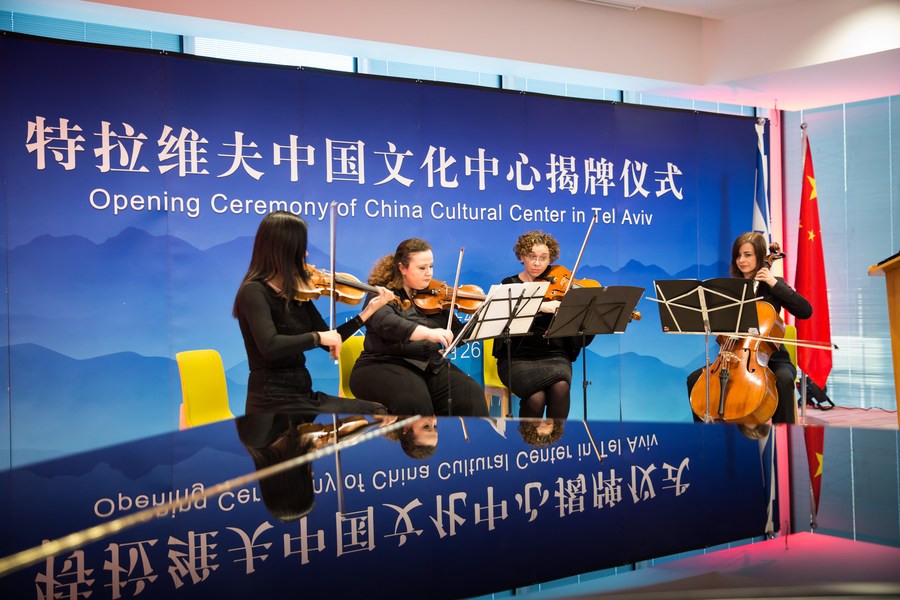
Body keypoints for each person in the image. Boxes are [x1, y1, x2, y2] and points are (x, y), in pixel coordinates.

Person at [233, 211, 394, 414]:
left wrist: (368, 311)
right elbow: (270, 347)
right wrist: (317, 337)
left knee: (378, 410)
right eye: (300, 247)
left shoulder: (297, 292)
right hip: (272, 404)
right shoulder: (253, 292)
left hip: (305, 397)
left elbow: (329, 341)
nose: (306, 255)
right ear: (282, 249)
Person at [349, 238, 488, 417]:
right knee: (414, 401)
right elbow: (387, 323)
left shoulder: (437, 294)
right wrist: (428, 333)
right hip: (384, 363)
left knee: (471, 394)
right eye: (422, 268)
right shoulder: (382, 292)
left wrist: (481, 319)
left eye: (431, 266)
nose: (429, 273)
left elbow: (456, 333)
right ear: (402, 268)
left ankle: (464, 437)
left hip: (429, 365)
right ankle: (414, 437)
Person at [686, 231, 812, 425]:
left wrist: (773, 282)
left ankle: (783, 431)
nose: (741, 260)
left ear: (760, 256)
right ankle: (706, 435)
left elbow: (805, 311)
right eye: (738, 255)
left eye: (748, 255)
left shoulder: (774, 285)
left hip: (772, 358)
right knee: (695, 379)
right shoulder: (729, 289)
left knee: (784, 380)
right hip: (731, 358)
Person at [492, 230, 592, 419]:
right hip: (517, 358)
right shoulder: (510, 284)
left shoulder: (560, 285)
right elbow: (501, 321)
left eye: (543, 258)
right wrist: (541, 306)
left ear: (550, 259)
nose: (537, 263)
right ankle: (528, 437)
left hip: (555, 355)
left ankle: (556, 436)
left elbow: (580, 330)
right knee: (536, 398)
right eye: (532, 257)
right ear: (522, 256)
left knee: (560, 387)